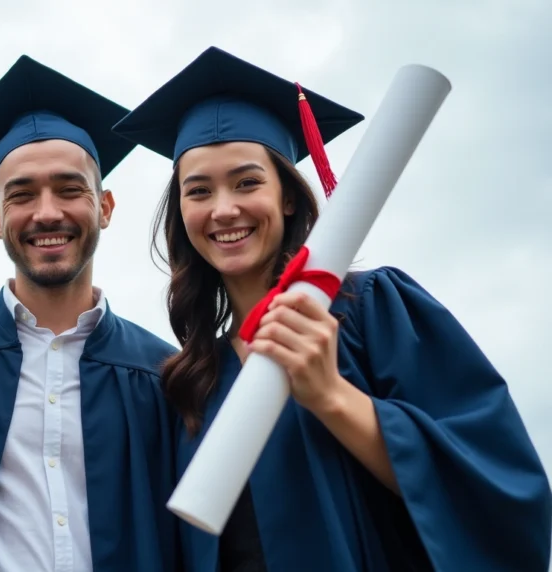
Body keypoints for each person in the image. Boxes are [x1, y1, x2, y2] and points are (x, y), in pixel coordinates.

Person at [111, 45, 552, 571]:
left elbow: (497, 486)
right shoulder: (192, 380)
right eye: (198, 191)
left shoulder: (371, 311)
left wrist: (331, 396)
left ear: (288, 196)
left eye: (248, 182)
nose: (224, 208)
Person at [0, 55, 180, 572]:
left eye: (70, 190)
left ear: (105, 207)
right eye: (21, 196)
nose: (47, 212)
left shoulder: (165, 374)